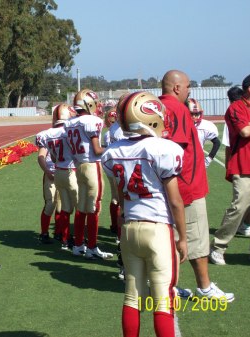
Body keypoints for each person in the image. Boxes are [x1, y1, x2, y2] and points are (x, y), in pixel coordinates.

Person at [102, 91, 187, 337]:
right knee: (162, 298)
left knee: (132, 296)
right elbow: (175, 201)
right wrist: (182, 237)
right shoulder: (163, 149)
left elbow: (120, 196)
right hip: (157, 228)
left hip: (130, 228)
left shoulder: (114, 151)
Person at [159, 70, 234, 301]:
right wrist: (185, 188)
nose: (190, 90)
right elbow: (175, 150)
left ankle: (167, 287)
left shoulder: (157, 107)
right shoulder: (178, 109)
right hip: (184, 188)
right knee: (195, 240)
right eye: (188, 86)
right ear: (177, 87)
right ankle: (204, 286)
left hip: (164, 187)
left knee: (167, 241)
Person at [210, 73, 250, 264]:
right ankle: (218, 247)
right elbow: (245, 131)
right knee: (239, 208)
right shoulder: (236, 108)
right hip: (244, 166)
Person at [63, 89, 112, 259]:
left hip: (78, 166)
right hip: (92, 166)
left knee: (81, 207)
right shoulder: (92, 121)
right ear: (88, 103)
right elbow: (97, 149)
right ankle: (91, 246)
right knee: (94, 207)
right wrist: (114, 148)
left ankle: (78, 245)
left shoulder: (69, 123)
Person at [35, 104, 78, 249]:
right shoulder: (68, 133)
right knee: (52, 203)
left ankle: (61, 233)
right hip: (56, 173)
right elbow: (41, 156)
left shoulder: (47, 134)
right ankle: (45, 233)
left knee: (62, 205)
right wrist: (47, 171)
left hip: (59, 171)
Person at [221, 86, 250, 237]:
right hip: (242, 164)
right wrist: (229, 168)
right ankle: (240, 226)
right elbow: (229, 143)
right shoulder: (235, 113)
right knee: (240, 203)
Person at [186, 98, 220, 168]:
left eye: (197, 114)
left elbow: (217, 143)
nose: (195, 116)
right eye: (192, 114)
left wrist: (208, 159)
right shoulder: (180, 125)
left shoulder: (204, 126)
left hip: (198, 162)